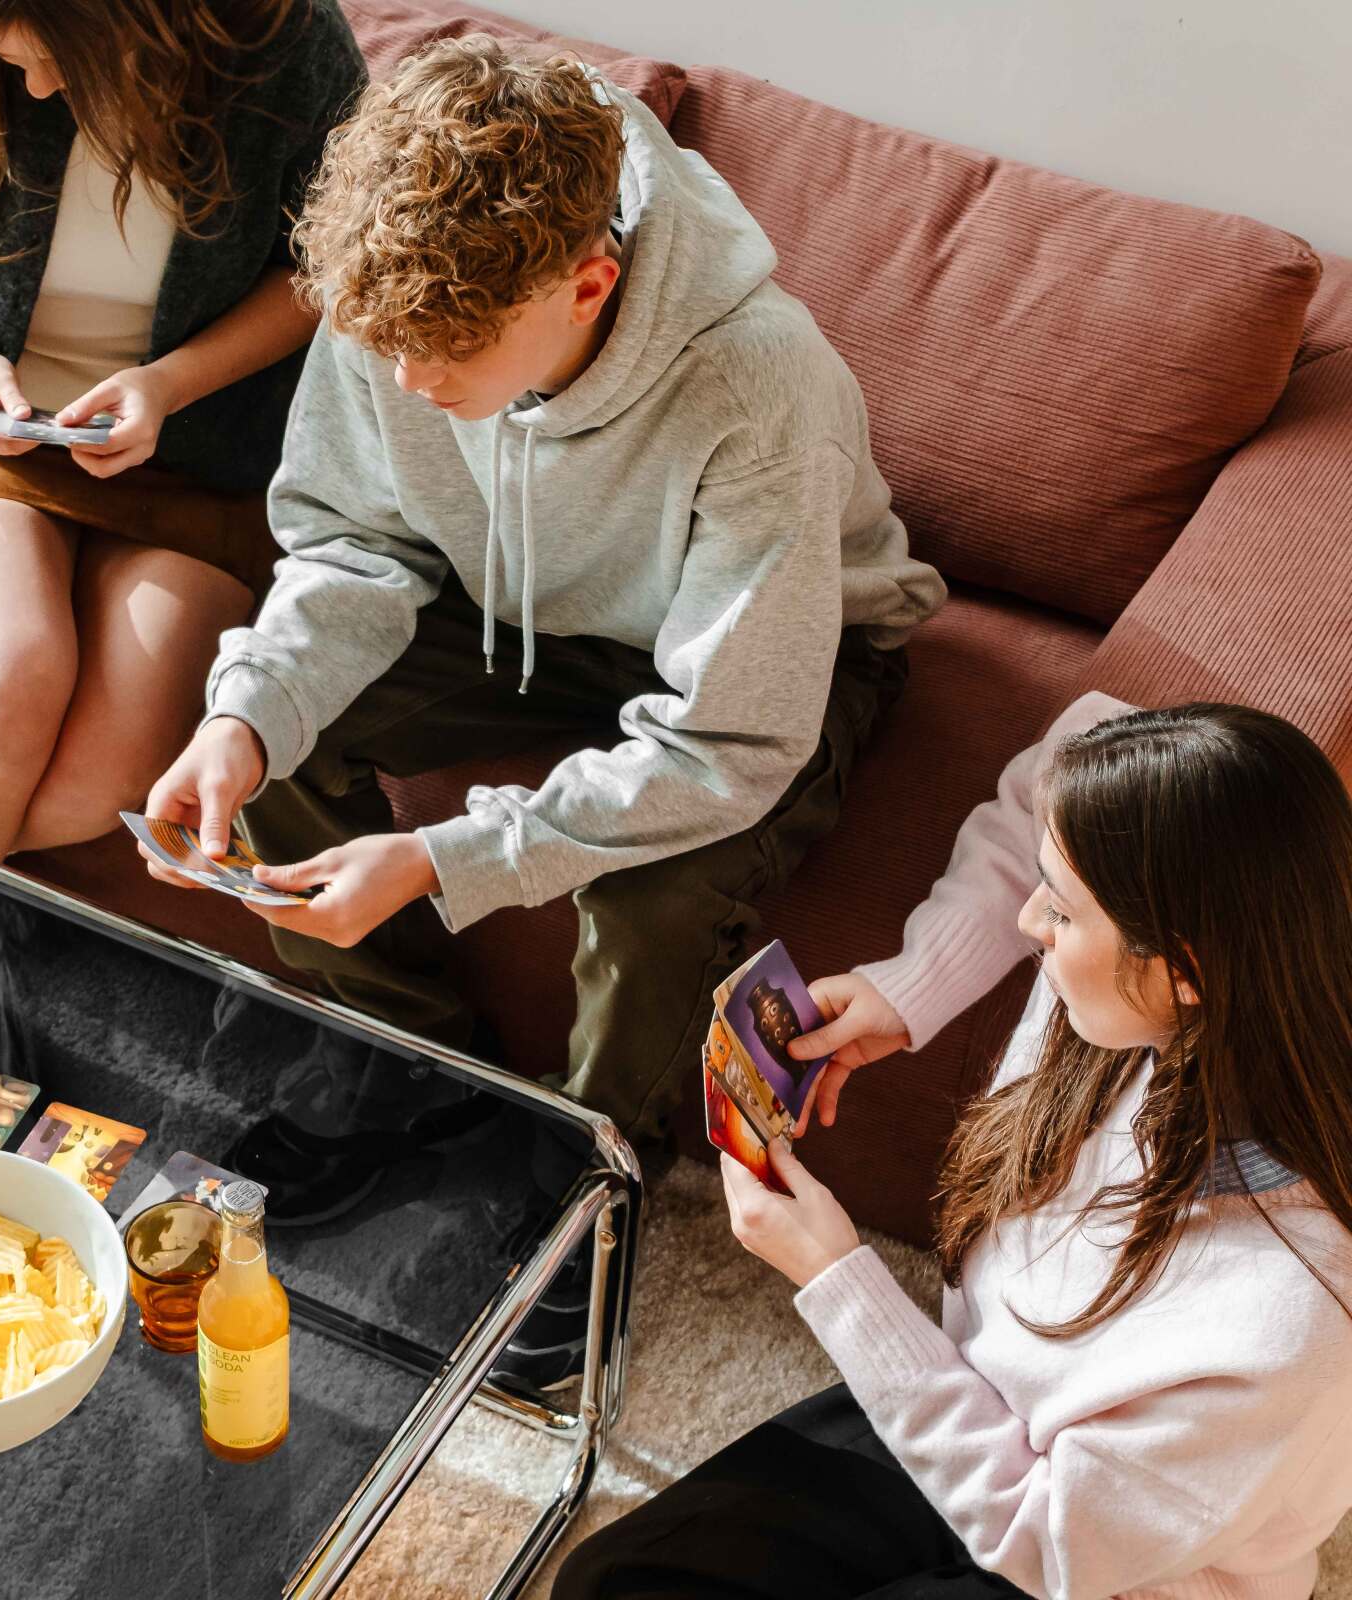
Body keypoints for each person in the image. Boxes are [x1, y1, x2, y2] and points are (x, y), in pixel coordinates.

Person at [140, 37, 946, 1195]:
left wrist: (440, 859)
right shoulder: (400, 292)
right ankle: (415, 1076)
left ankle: (581, 1195)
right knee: (270, 745)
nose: (409, 383)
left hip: (786, 651)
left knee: (647, 903)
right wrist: (247, 716)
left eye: (450, 350)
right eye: (385, 347)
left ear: (587, 287)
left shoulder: (761, 385)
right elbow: (357, 540)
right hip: (518, 604)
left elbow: (727, 741)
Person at [552, 693, 1352, 1600]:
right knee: (614, 1583)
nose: (1028, 923)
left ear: (1185, 969)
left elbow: (1053, 1548)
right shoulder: (1162, 983)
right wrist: (910, 987)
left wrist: (839, 1279)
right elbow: (1069, 763)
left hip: (1105, 1564)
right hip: (977, 1403)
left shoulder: (1292, 1315)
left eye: (1062, 911)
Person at [0, 0, 365, 866]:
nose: (34, 88)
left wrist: (169, 384)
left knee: (114, 774)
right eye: (7, 63)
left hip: (202, 435)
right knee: (6, 675)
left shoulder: (287, 42)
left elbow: (323, 267)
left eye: (52, 59)